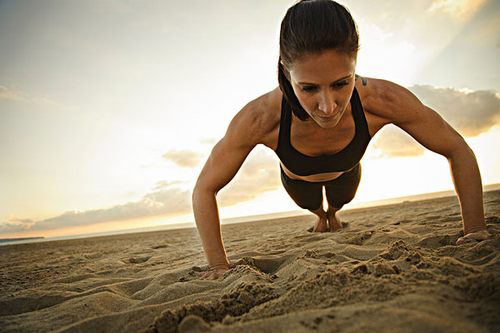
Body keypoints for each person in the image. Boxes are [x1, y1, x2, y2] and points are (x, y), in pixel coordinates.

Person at [192, 0, 492, 280]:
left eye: (341, 83)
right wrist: (218, 266)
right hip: (297, 181)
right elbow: (205, 188)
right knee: (312, 205)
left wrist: (475, 228)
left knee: (339, 201)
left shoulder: (382, 99)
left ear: (355, 63)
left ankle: (332, 215)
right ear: (285, 68)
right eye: (308, 88)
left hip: (347, 171)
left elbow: (457, 148)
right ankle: (320, 216)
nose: (328, 106)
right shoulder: (260, 117)